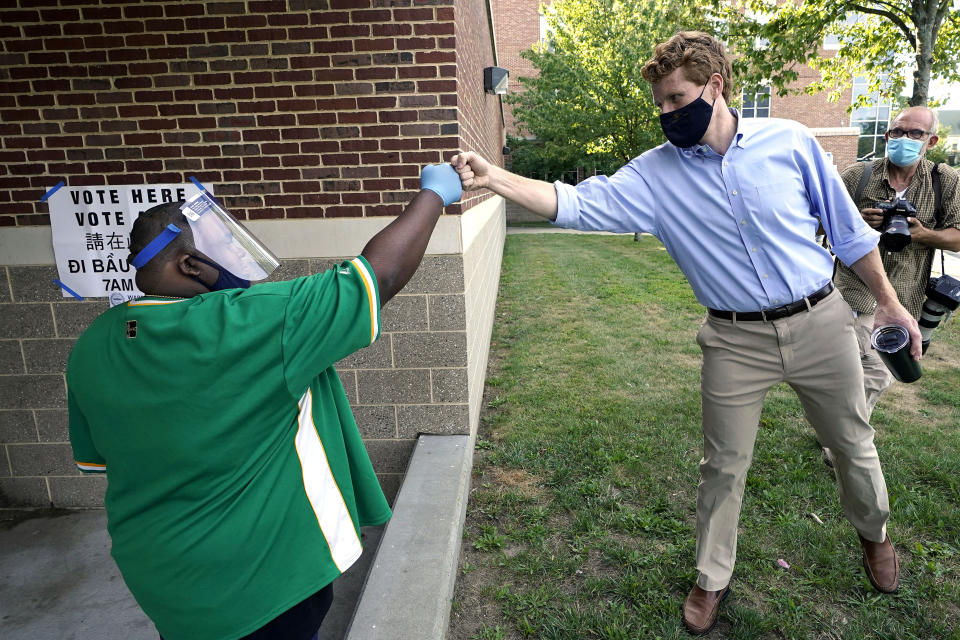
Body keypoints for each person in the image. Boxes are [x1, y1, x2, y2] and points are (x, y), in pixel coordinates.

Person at [452, 31, 921, 636]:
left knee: (854, 445)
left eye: (677, 99)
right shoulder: (654, 174)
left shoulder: (791, 142)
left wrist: (889, 303)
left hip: (821, 321)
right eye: (661, 105)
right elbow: (573, 202)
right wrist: (496, 178)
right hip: (734, 341)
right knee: (723, 466)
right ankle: (711, 576)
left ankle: (875, 536)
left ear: (714, 86)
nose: (668, 113)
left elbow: (850, 233)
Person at [67, 164, 463, 640]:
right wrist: (434, 195)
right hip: (260, 581)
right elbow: (379, 275)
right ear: (190, 262)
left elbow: (97, 460)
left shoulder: (89, 347)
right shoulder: (251, 323)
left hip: (161, 578)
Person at [824, 107, 960, 465]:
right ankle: (843, 444)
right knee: (859, 371)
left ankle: (840, 435)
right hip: (853, 290)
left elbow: (958, 236)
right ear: (886, 136)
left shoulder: (944, 181)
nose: (904, 139)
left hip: (906, 294)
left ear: (931, 141)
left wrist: (922, 233)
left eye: (915, 134)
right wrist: (856, 222)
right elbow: (820, 223)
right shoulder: (859, 175)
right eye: (897, 132)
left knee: (876, 374)